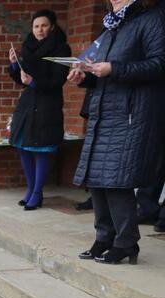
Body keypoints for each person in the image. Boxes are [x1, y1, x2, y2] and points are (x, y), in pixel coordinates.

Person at [69, 0, 165, 264]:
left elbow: (160, 64)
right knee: (97, 179)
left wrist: (115, 69)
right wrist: (84, 77)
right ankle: (104, 238)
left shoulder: (152, 18)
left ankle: (126, 243)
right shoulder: (112, 25)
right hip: (104, 112)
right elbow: (99, 69)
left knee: (116, 181)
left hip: (130, 114)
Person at [8, 10, 71, 210]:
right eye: (36, 26)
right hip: (28, 104)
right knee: (25, 149)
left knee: (41, 150)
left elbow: (57, 81)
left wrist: (34, 82)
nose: (40, 30)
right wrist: (14, 66)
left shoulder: (61, 49)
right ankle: (30, 190)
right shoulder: (28, 47)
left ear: (52, 26)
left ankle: (37, 192)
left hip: (47, 105)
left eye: (44, 25)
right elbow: (22, 81)